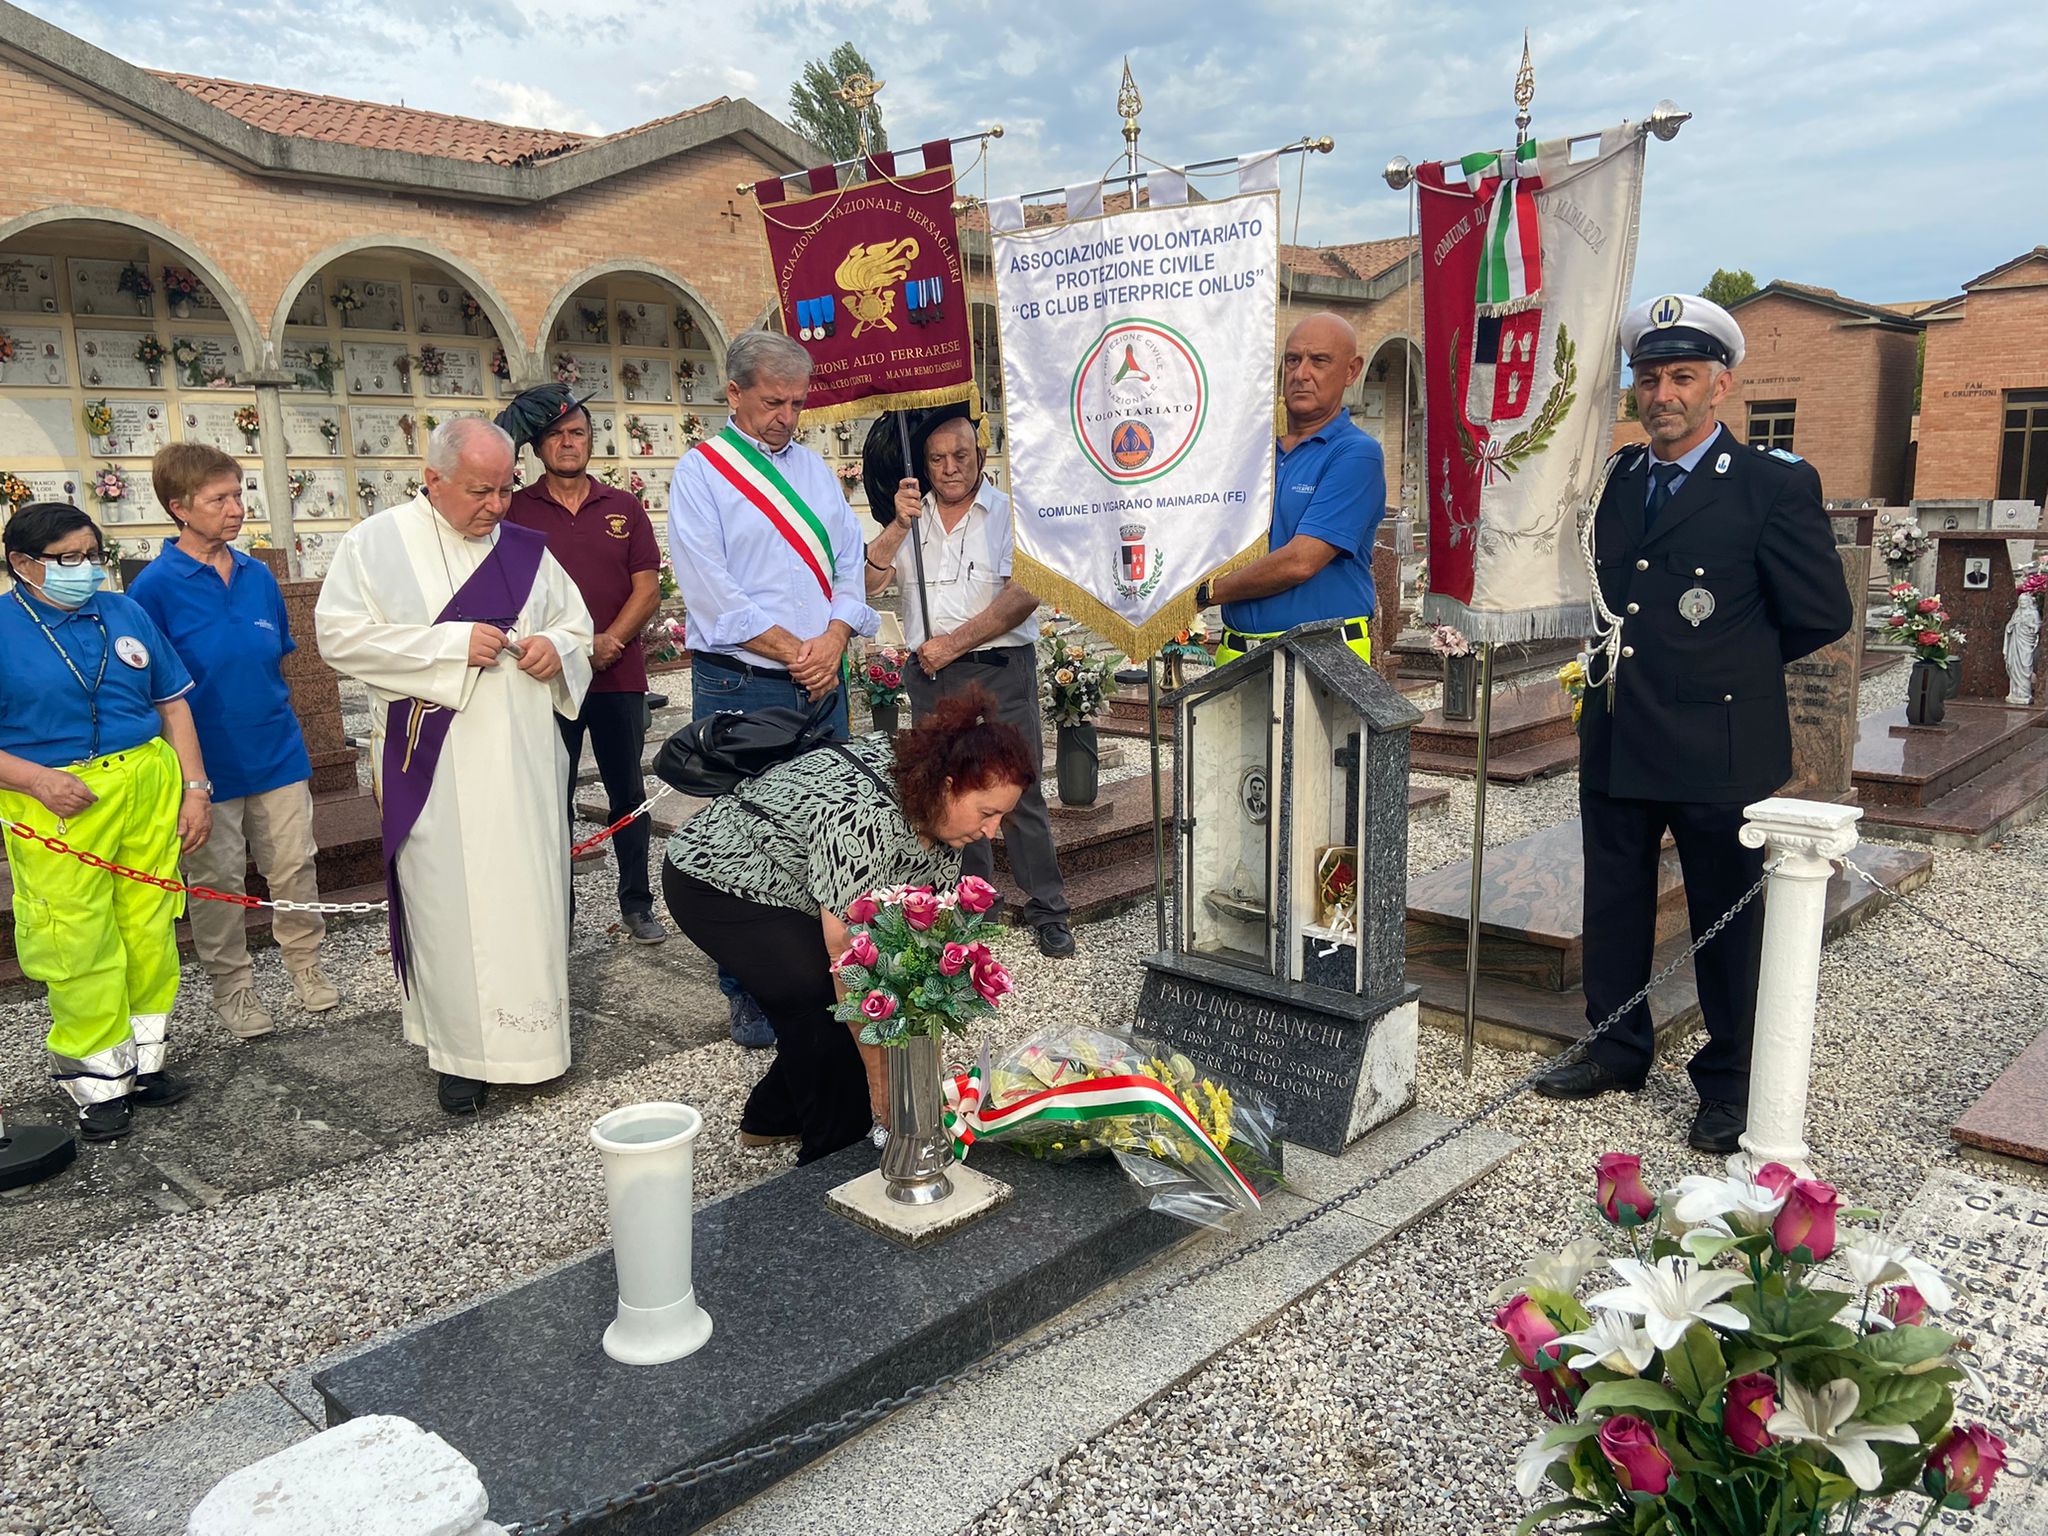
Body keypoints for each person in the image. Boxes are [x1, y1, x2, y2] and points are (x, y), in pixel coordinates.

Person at [1536, 294, 1853, 1154]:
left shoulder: (1770, 485)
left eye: (1682, 377)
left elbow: (1821, 614)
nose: (1662, 393)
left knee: (1729, 918)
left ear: (1722, 387)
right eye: (1649, 377)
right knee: (1615, 899)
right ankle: (1615, 1047)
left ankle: (1732, 1083)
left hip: (1719, 740)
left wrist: (1724, 666)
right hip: (1618, 727)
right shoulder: (1616, 481)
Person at [315, 419, 595, 1113]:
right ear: (433, 478)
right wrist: (445, 648)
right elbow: (338, 640)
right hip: (431, 767)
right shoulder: (374, 545)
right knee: (450, 911)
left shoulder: (526, 549)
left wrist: (556, 650)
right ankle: (461, 1055)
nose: (497, 507)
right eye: (480, 491)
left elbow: (576, 624)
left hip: (524, 762)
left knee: (526, 902)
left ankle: (536, 1042)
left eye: (506, 489)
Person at [661, 688, 1034, 1164]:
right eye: (987, 813)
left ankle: (771, 1118)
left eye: (1003, 815)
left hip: (794, 878)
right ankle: (832, 1159)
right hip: (716, 878)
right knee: (819, 998)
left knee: (866, 1000)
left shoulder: (944, 814)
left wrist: (927, 1067)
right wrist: (880, 1082)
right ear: (946, 784)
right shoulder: (864, 821)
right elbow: (849, 965)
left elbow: (922, 956)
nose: (992, 831)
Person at [666, 330, 880, 1046]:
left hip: (822, 673)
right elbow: (709, 592)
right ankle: (749, 987)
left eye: (797, 403)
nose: (787, 417)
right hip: (744, 681)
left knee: (831, 826)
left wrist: (837, 638)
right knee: (745, 839)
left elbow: (851, 563)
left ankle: (832, 970)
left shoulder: (816, 472)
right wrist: (798, 650)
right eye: (772, 402)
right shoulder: (702, 474)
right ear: (733, 394)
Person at [0, 503, 210, 1140]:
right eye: (69, 559)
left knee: (149, 927)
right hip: (54, 795)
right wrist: (35, 779)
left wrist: (195, 789)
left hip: (147, 783)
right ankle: (97, 1084)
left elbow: (172, 705)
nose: (86, 569)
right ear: (22, 565)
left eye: (94, 555)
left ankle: (144, 1064)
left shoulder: (124, 611)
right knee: (76, 937)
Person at [129, 444, 341, 1040]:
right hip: (205, 765)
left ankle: (305, 963)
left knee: (295, 866)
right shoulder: (153, 589)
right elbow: (150, 686)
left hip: (275, 750)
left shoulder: (256, 576)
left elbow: (276, 660)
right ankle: (235, 988)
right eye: (217, 499)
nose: (234, 508)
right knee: (216, 881)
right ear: (179, 508)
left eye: (237, 494)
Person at [865, 414, 1075, 958]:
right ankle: (971, 905)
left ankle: (1047, 907)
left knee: (1018, 788)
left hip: (999, 668)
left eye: (961, 456)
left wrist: (953, 642)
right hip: (931, 675)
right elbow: (864, 583)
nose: (950, 468)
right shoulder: (911, 517)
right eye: (937, 459)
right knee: (948, 790)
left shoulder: (1010, 514)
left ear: (981, 455)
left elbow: (1024, 594)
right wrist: (896, 526)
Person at [500, 384, 666, 945]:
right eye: (556, 435)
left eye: (577, 433)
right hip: (548, 680)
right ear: (537, 447)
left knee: (628, 793)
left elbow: (648, 589)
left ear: (591, 441)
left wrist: (608, 641)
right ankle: (558, 910)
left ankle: (637, 904)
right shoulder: (516, 510)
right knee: (553, 798)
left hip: (618, 675)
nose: (568, 444)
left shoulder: (623, 507)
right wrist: (572, 649)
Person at [1199, 313, 1385, 666]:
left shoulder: (1357, 454)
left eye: (1319, 361)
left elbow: (1301, 561)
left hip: (1323, 656)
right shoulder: (1254, 452)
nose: (1301, 374)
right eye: (1293, 360)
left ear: (1351, 370)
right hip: (1236, 651)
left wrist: (1205, 593)